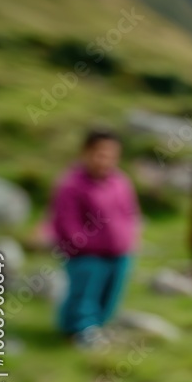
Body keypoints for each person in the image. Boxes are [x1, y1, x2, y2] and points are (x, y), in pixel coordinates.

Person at [50, 128, 140, 348]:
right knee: (84, 294)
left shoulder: (120, 182)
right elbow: (65, 222)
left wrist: (128, 239)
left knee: (110, 294)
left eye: (111, 155)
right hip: (86, 255)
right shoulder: (71, 185)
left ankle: (98, 327)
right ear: (86, 152)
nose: (105, 160)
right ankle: (80, 331)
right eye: (100, 154)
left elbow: (130, 213)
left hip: (119, 253)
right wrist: (86, 245)